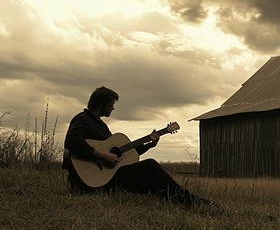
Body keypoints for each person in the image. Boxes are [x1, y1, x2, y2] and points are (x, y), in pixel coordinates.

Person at [62, 86, 209, 208]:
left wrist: (149, 145)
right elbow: (71, 142)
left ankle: (179, 201)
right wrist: (102, 155)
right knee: (150, 165)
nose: (113, 108)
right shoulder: (83, 119)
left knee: (147, 184)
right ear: (101, 104)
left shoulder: (102, 125)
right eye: (111, 105)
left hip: (108, 178)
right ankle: (191, 200)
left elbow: (123, 154)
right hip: (87, 180)